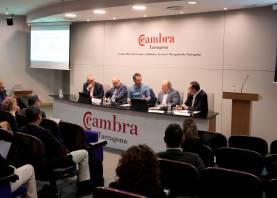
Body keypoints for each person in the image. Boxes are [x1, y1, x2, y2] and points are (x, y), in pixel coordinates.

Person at [20, 106, 93, 196]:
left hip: (35, 163)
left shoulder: (22, 130)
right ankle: (84, 189)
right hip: (52, 163)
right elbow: (61, 151)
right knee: (85, 153)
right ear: (39, 117)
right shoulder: (45, 133)